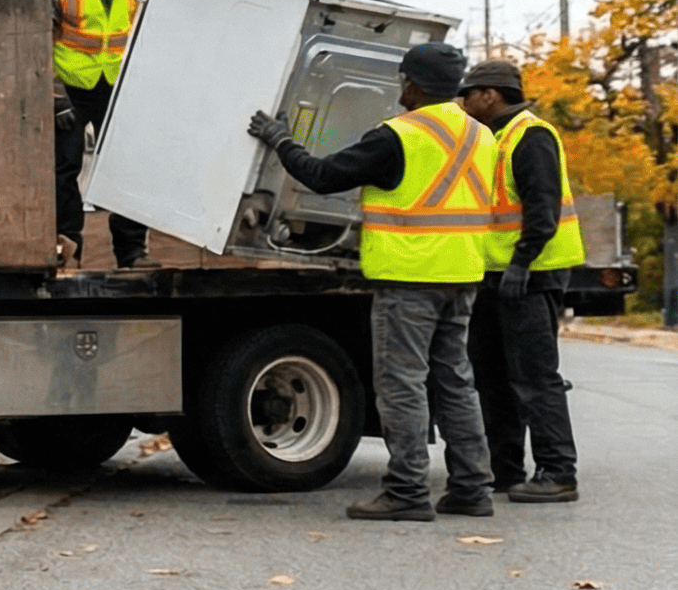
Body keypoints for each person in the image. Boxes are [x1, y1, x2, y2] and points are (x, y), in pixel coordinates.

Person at [247, 43, 497, 520]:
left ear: (415, 85)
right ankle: (471, 488)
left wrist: (279, 137)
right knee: (456, 384)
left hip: (410, 279)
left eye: (404, 79)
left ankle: (406, 492)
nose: (401, 87)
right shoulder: (481, 136)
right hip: (463, 274)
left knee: (402, 385)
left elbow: (321, 176)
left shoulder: (400, 135)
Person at [458, 59, 584, 503]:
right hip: (496, 276)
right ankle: (505, 468)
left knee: (534, 377)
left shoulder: (531, 136)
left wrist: (521, 265)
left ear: (490, 95)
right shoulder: (494, 139)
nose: (463, 101)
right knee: (492, 377)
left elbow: (543, 212)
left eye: (468, 93)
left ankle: (557, 471)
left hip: (530, 274)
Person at [42, 0, 152, 268]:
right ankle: (66, 248)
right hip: (71, 86)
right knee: (64, 167)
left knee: (127, 166)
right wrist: (55, 96)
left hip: (119, 84)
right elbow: (39, 37)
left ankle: (132, 252)